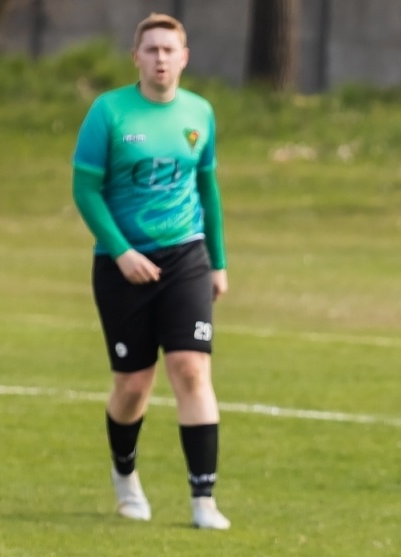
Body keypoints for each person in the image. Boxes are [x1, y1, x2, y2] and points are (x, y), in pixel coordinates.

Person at [72, 13, 232, 529]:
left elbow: (207, 189)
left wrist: (218, 262)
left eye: (169, 50)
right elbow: (85, 190)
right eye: (151, 49)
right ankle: (125, 476)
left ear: (184, 58)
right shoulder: (109, 112)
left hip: (186, 257)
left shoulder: (200, 113)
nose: (160, 58)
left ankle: (203, 500)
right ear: (136, 58)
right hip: (122, 264)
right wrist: (120, 251)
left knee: (191, 369)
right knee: (133, 385)